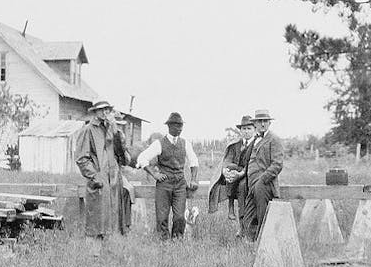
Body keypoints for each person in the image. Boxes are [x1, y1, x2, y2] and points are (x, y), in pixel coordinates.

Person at [75, 100, 132, 256]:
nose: (105, 112)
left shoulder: (112, 130)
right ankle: (93, 257)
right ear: (95, 112)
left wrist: (116, 133)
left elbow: (123, 157)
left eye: (107, 109)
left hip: (115, 181)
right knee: (96, 221)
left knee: (115, 221)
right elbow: (81, 159)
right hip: (99, 182)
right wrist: (95, 177)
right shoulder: (88, 130)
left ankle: (114, 256)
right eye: (102, 110)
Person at [136, 112, 199, 240]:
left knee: (180, 217)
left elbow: (194, 161)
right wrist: (154, 174)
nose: (179, 128)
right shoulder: (160, 143)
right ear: (169, 126)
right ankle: (163, 243)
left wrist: (193, 179)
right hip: (164, 184)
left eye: (181, 125)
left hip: (180, 184)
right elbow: (142, 158)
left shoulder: (185, 143)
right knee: (162, 216)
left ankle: (177, 240)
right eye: (176, 125)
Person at [242, 109, 284, 242]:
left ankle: (264, 241)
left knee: (262, 213)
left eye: (265, 121)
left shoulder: (274, 139)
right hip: (251, 182)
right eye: (260, 121)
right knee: (248, 212)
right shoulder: (254, 139)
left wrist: (263, 180)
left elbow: (277, 164)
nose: (263, 124)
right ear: (255, 124)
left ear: (269, 123)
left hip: (264, 184)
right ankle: (249, 240)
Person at [208, 115, 256, 229]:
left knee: (242, 187)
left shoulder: (256, 144)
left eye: (249, 128)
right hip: (234, 174)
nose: (246, 131)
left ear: (254, 129)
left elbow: (254, 163)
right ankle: (231, 209)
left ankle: (243, 225)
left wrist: (241, 174)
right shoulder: (235, 144)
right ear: (240, 130)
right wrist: (225, 171)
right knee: (230, 166)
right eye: (244, 129)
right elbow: (228, 159)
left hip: (249, 174)